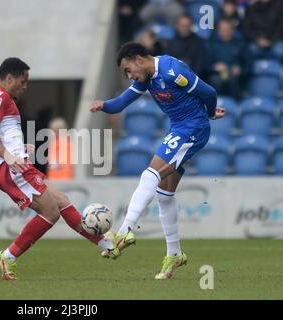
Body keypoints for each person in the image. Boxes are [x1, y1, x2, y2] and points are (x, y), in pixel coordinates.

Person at [90, 42, 225, 279]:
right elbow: (121, 102)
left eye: (128, 69)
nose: (129, 75)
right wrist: (104, 106)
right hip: (180, 129)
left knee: (149, 174)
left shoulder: (173, 71)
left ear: (138, 59)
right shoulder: (146, 78)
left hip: (193, 128)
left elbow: (209, 93)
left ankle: (124, 230)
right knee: (164, 195)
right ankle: (175, 255)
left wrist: (211, 112)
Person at [0, 57, 116, 280]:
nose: (25, 86)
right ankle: (8, 257)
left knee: (62, 202)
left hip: (15, 164)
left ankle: (107, 243)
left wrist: (17, 148)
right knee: (50, 213)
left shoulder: (0, 98)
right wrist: (8, 154)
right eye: (23, 81)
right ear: (9, 78)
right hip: (10, 169)